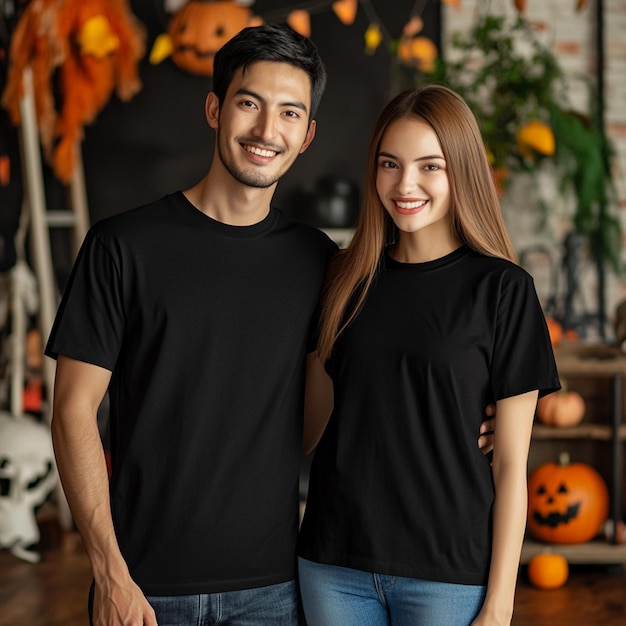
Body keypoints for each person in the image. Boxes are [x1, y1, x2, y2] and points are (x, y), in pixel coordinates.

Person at [45, 24, 495, 625]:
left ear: (307, 136)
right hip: (145, 586)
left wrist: (477, 410)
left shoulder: (320, 264)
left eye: (289, 113)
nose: (266, 130)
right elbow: (73, 411)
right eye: (249, 103)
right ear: (214, 108)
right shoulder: (122, 247)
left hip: (276, 588)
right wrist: (108, 569)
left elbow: (357, 381)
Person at [297, 85, 561, 626]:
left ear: (460, 172)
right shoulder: (343, 279)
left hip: (448, 574)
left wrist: (500, 603)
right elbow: (308, 427)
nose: (405, 184)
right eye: (389, 164)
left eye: (429, 166)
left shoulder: (503, 290)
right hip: (332, 562)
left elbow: (512, 465)